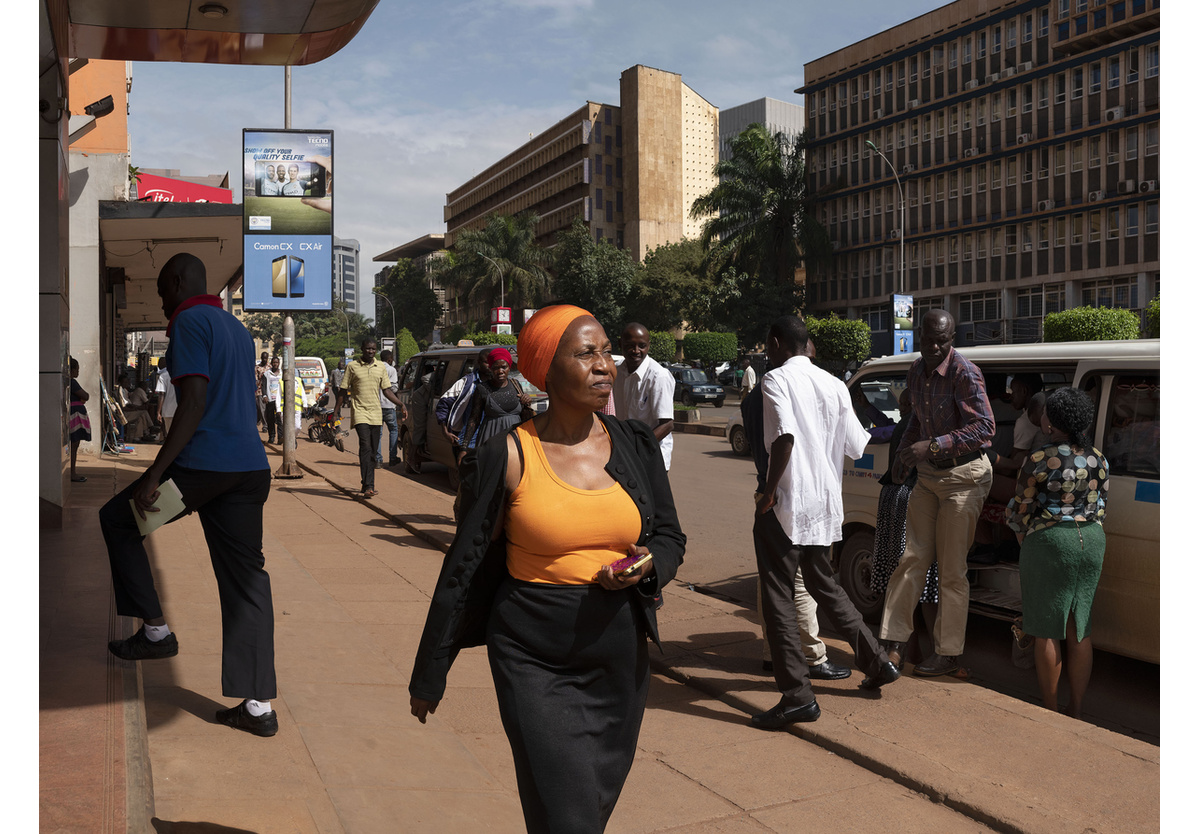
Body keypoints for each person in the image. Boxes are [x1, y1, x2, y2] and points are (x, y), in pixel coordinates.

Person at [409, 305, 685, 833]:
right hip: (534, 653)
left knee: (585, 806)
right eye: (587, 353)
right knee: (568, 815)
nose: (606, 364)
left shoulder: (636, 444)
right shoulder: (507, 455)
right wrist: (430, 671)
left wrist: (649, 565)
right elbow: (463, 567)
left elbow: (670, 536)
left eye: (606, 351)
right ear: (545, 370)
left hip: (618, 656)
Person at [98, 252, 277, 737]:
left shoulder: (189, 322)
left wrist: (155, 472)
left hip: (204, 468)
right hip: (249, 469)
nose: (161, 304)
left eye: (162, 291)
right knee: (248, 582)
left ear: (178, 282)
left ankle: (155, 632)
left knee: (118, 519)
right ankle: (258, 707)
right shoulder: (235, 328)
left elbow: (194, 402)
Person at [751, 315, 899, 730]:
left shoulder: (775, 380)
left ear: (777, 342)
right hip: (824, 504)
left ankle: (797, 696)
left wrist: (768, 491)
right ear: (808, 344)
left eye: (768, 344)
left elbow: (784, 439)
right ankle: (876, 660)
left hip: (786, 503)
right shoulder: (836, 385)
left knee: (779, 597)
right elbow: (857, 445)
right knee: (823, 584)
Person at [877, 309, 995, 678]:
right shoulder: (915, 371)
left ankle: (947, 654)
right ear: (918, 336)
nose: (933, 347)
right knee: (911, 559)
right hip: (929, 477)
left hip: (965, 477)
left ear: (952, 339)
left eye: (941, 341)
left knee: (951, 570)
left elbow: (985, 428)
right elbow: (916, 419)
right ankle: (892, 645)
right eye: (927, 340)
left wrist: (933, 447)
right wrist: (905, 453)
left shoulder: (965, 372)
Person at [743, 340, 850, 682]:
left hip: (771, 493)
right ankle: (812, 656)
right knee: (803, 581)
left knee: (772, 580)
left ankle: (772, 653)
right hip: (791, 495)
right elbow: (785, 442)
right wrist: (772, 492)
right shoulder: (786, 389)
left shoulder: (760, 393)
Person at [1005, 387, 1109, 718]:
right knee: (1079, 626)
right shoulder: (1098, 458)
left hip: (1050, 542)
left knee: (1046, 628)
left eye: (1047, 412)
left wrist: (1023, 533)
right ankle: (1076, 708)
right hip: (1091, 539)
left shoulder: (1038, 459)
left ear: (1053, 423)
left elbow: (1018, 511)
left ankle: (1050, 711)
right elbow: (1102, 505)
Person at [866, 387, 938, 668]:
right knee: (924, 580)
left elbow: (882, 429)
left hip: (893, 498)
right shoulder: (919, 426)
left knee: (898, 576)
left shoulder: (903, 425)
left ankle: (906, 649)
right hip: (912, 498)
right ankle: (930, 653)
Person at [335, 338, 407, 499]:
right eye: (368, 348)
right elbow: (342, 390)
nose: (371, 351)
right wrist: (336, 411)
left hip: (376, 413)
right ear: (362, 348)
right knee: (365, 446)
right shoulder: (352, 366)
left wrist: (400, 404)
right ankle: (369, 486)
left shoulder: (380, 367)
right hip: (360, 412)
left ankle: (366, 482)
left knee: (373, 451)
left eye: (373, 349)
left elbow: (387, 390)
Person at [613, 322, 675, 470]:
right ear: (620, 343)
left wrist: (639, 447)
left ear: (648, 346)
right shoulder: (616, 371)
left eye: (642, 346)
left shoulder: (658, 376)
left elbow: (667, 424)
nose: (636, 351)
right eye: (630, 345)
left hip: (651, 457)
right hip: (625, 454)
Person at [458, 348, 534, 463]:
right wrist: (464, 448)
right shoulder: (482, 389)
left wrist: (526, 401)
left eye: (504, 367)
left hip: (515, 440)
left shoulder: (516, 385)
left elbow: (524, 414)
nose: (500, 371)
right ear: (490, 368)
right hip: (490, 440)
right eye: (496, 368)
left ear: (509, 367)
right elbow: (474, 418)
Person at [375, 349, 400, 467]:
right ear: (390, 359)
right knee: (394, 430)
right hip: (389, 405)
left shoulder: (376, 368)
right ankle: (393, 457)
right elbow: (393, 388)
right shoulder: (391, 370)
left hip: (377, 406)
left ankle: (378, 459)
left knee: (378, 433)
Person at [68, 357, 91, 483]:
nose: (78, 372)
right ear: (72, 370)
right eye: (77, 369)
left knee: (73, 444)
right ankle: (72, 473)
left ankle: (72, 472)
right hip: (75, 416)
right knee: (74, 444)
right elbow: (85, 396)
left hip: (73, 414)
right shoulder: (72, 382)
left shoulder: (67, 382)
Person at [117, 374, 154, 441]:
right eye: (124, 382)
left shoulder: (124, 390)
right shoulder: (120, 391)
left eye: (127, 382)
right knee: (143, 412)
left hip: (130, 410)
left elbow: (128, 403)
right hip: (125, 414)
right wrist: (135, 408)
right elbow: (124, 406)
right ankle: (149, 429)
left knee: (140, 418)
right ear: (120, 382)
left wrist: (134, 407)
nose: (126, 384)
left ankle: (137, 437)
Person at [259, 355, 283, 444]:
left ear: (279, 363)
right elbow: (264, 385)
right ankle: (271, 437)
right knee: (270, 419)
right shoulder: (266, 374)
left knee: (280, 419)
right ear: (271, 363)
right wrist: (264, 395)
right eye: (273, 362)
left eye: (276, 362)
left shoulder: (282, 374)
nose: (275, 364)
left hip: (279, 400)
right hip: (270, 400)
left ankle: (280, 437)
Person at [155, 363, 178, 439]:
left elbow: (161, 394)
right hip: (182, 409)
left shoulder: (164, 376)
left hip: (168, 411)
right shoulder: (184, 375)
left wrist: (158, 412)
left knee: (170, 434)